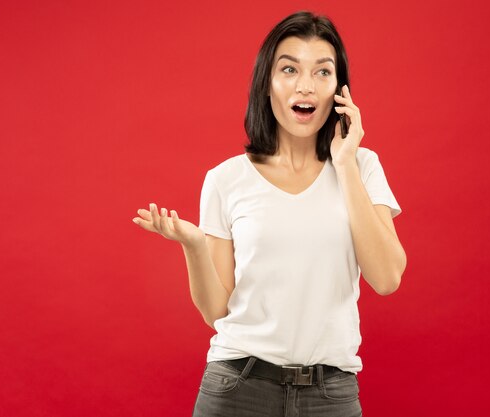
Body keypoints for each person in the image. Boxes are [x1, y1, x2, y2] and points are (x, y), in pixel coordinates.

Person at [132, 10, 406, 417]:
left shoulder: (362, 166)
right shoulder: (226, 179)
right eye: (290, 68)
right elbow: (216, 312)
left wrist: (344, 163)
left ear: (339, 90)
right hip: (238, 387)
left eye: (322, 72)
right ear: (267, 85)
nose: (305, 86)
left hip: (330, 394)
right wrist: (193, 246)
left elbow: (386, 278)